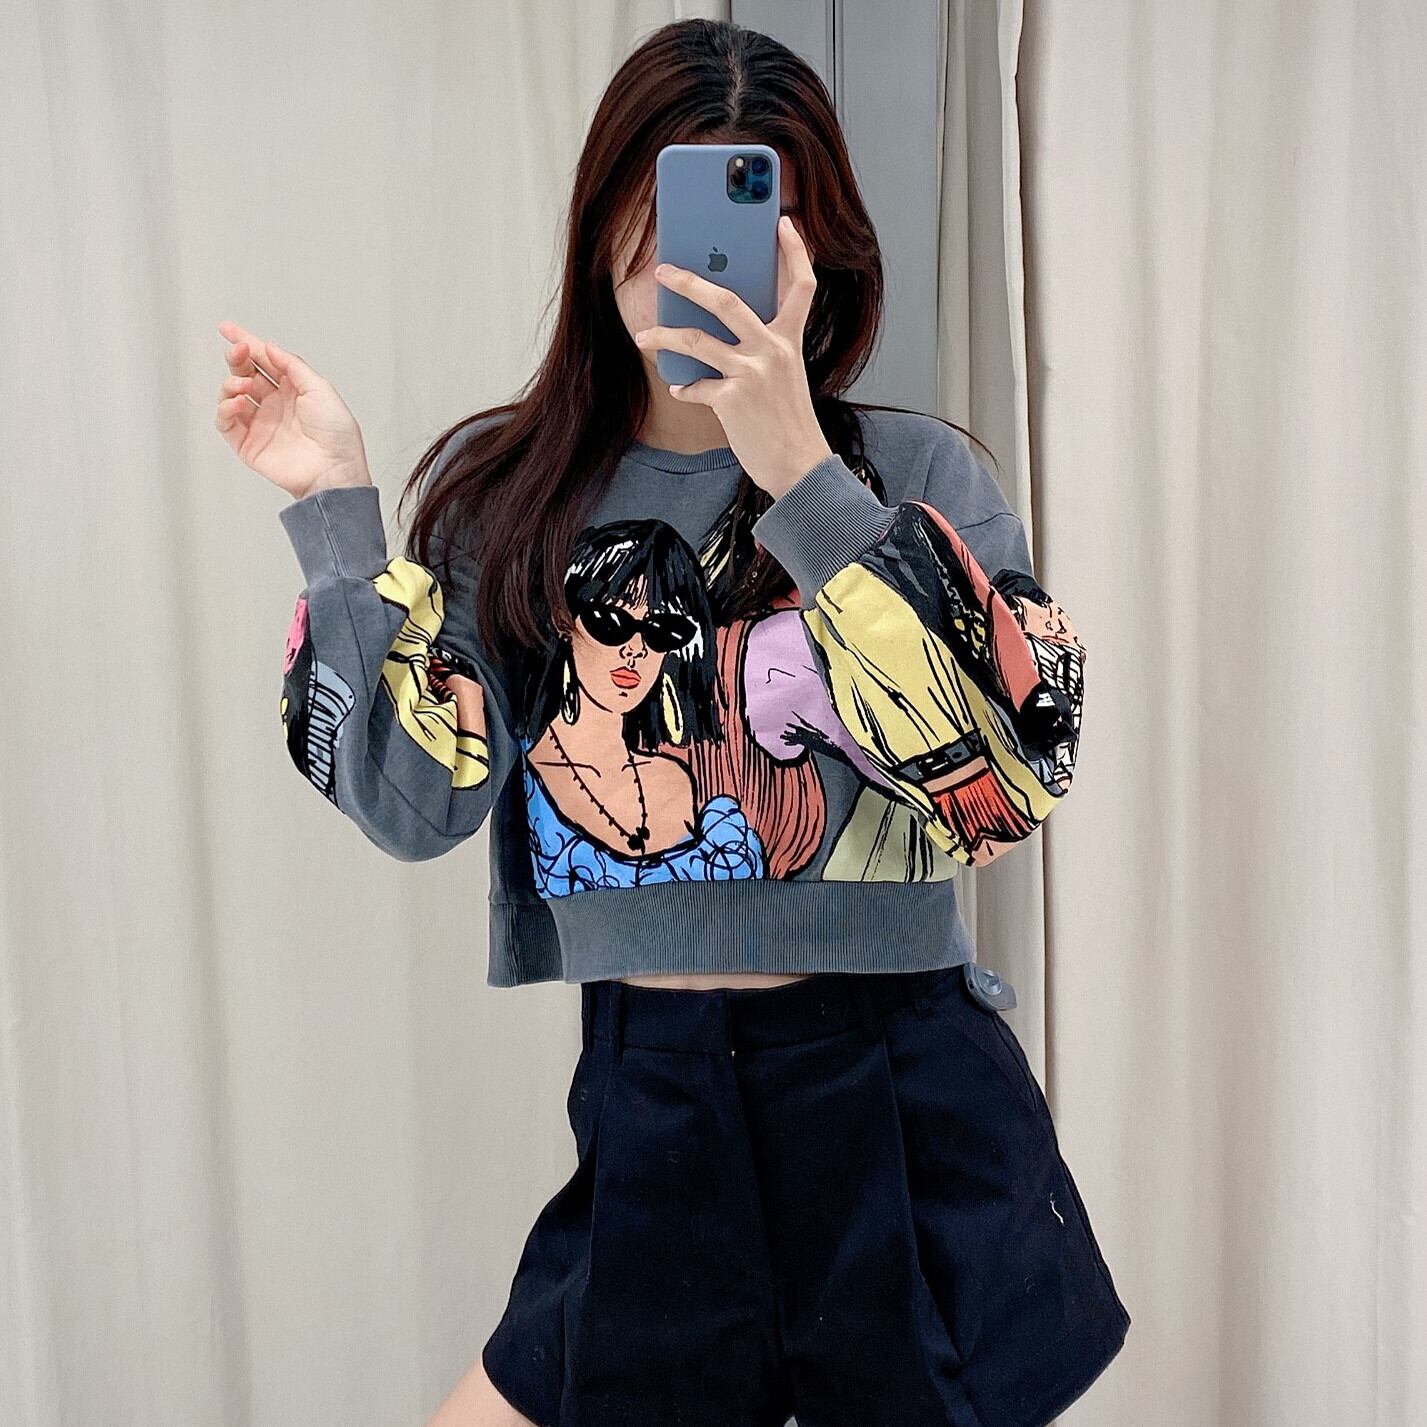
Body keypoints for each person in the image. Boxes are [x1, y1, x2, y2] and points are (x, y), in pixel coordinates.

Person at [214, 17, 1128, 1427]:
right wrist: (337, 514)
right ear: (602, 235)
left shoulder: (915, 476)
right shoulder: (509, 499)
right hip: (656, 1086)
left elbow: (1013, 779)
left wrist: (804, 477)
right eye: (658, 217)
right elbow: (415, 803)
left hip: (900, 1083)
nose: (690, 265)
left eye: (743, 220)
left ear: (815, 253)